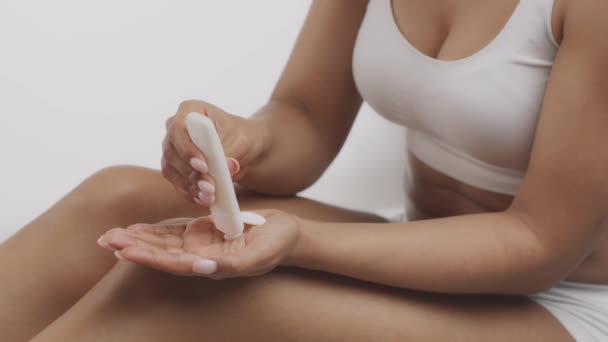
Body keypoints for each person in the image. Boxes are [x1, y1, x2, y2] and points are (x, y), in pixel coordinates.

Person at [2, 0, 607, 340]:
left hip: (562, 303)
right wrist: (240, 142)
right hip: (415, 252)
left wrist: (299, 242)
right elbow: (307, 116)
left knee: (183, 285)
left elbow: (538, 243)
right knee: (119, 199)